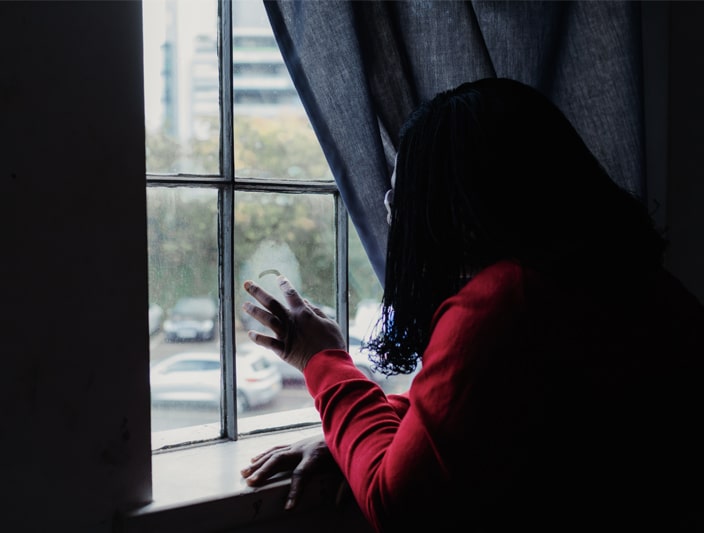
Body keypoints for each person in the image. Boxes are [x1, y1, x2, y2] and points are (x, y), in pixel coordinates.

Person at [239, 78, 704, 532]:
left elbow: (396, 505)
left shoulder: (506, 300)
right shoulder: (640, 284)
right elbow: (500, 413)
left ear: (455, 209)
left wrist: (323, 360)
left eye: (403, 194)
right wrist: (360, 434)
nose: (390, 208)